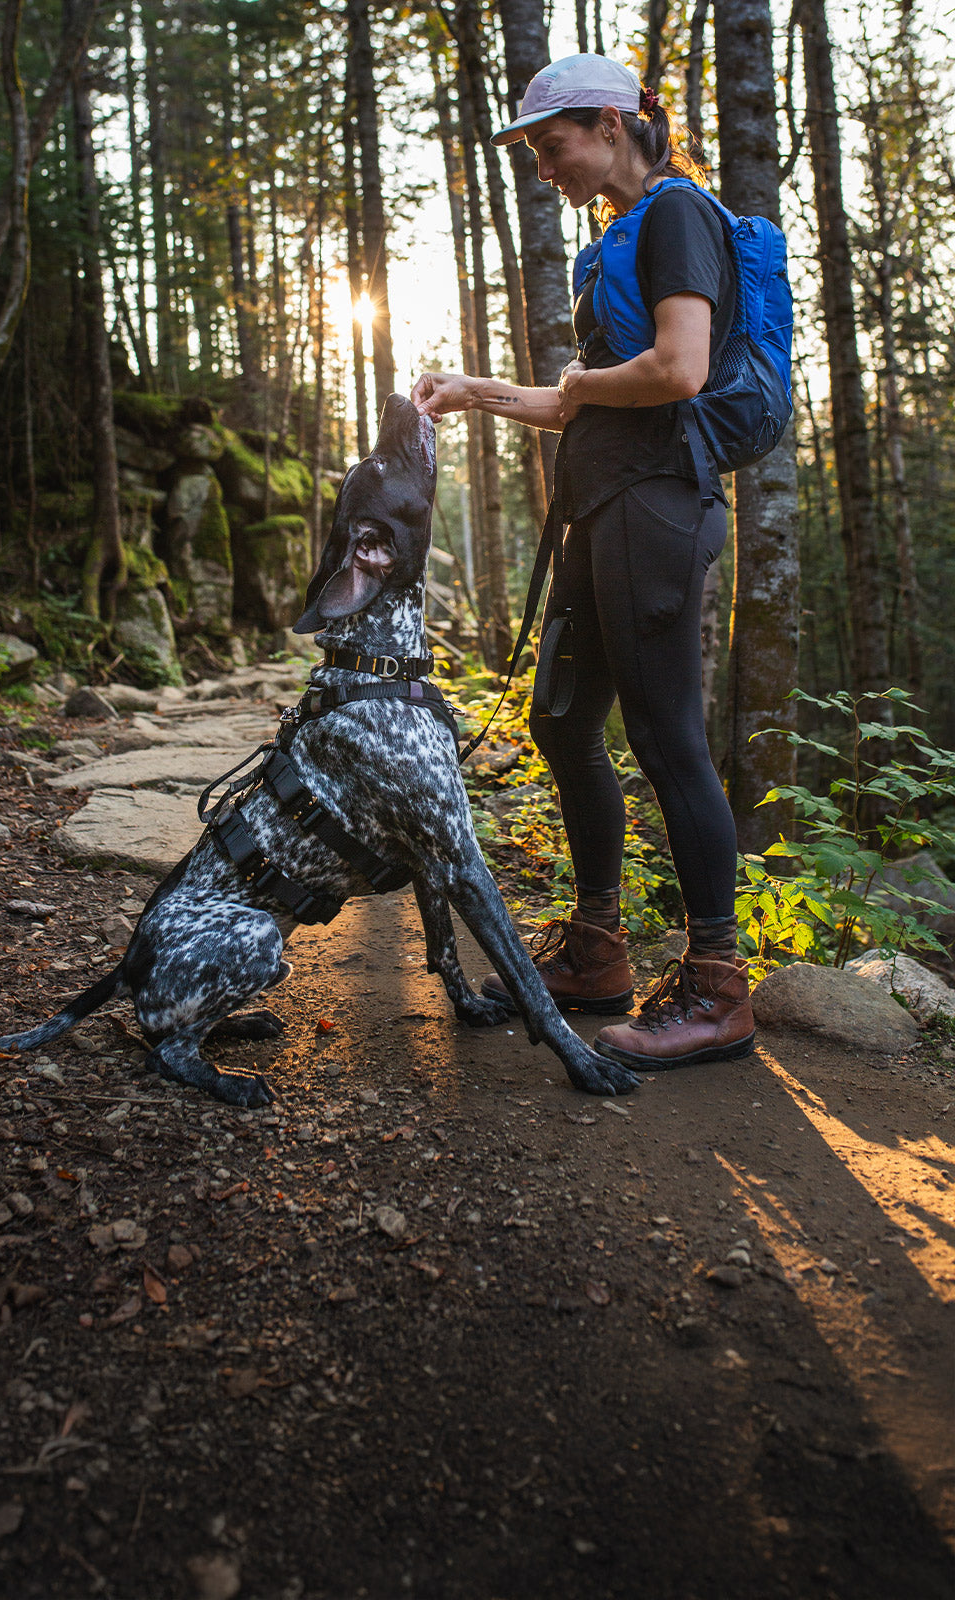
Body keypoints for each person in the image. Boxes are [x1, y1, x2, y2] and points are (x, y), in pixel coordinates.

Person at [411, 53, 754, 1070]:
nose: (542, 165)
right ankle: (600, 949)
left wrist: (582, 385)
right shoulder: (615, 237)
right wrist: (475, 390)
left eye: (550, 145)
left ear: (609, 124)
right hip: (603, 506)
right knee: (560, 721)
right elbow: (574, 400)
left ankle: (717, 985)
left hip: (657, 504)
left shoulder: (678, 213)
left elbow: (679, 368)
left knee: (665, 738)